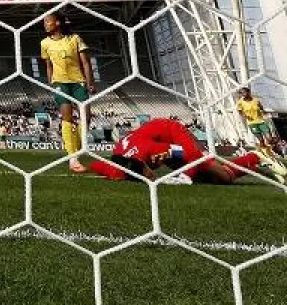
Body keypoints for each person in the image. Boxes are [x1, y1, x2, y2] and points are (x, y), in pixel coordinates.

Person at [87, 117, 277, 183]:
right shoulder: (118, 165)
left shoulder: (152, 151)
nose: (151, 177)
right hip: (157, 138)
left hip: (172, 132)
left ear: (144, 163)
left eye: (147, 174)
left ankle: (255, 156)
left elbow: (191, 154)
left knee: (220, 177)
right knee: (203, 178)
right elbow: (96, 165)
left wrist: (184, 177)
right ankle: (254, 163)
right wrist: (81, 166)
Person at [40, 11, 94, 172]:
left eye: (47, 21)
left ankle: (76, 149)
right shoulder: (44, 43)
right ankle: (73, 159)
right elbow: (48, 65)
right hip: (60, 83)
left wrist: (90, 82)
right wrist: (51, 83)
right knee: (67, 117)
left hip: (78, 82)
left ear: (57, 23)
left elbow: (86, 62)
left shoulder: (74, 39)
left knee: (86, 116)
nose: (45, 24)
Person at [237, 87, 274, 153]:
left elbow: (261, 108)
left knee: (270, 138)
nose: (243, 94)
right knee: (261, 140)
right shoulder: (240, 102)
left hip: (261, 121)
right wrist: (245, 116)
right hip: (252, 123)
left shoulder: (256, 100)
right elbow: (240, 111)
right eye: (241, 93)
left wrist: (263, 112)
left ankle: (270, 149)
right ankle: (265, 151)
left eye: (244, 92)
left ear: (249, 92)